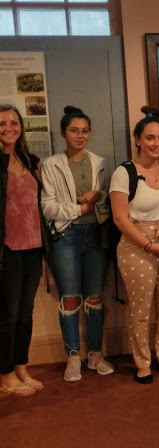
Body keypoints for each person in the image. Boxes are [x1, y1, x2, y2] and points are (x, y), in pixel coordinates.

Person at [110, 107, 159, 384]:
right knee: (141, 307)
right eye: (151, 138)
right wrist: (148, 245)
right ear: (138, 140)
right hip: (137, 244)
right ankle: (142, 361)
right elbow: (120, 218)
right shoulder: (124, 173)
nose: (157, 144)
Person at [41, 106, 113, 382]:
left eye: (84, 131)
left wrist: (97, 195)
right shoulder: (51, 164)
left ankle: (95, 354)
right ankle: (73, 356)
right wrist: (81, 209)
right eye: (74, 130)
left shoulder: (99, 161)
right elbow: (49, 208)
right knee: (69, 298)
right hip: (66, 236)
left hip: (95, 235)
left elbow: (106, 198)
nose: (80, 136)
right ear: (63, 133)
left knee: (94, 297)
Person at [0, 104, 50, 396]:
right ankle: (6, 376)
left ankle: (21, 368)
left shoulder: (29, 160)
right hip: (6, 251)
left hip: (34, 248)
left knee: (25, 313)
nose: (8, 128)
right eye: (2, 123)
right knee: (6, 315)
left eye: (14, 122)